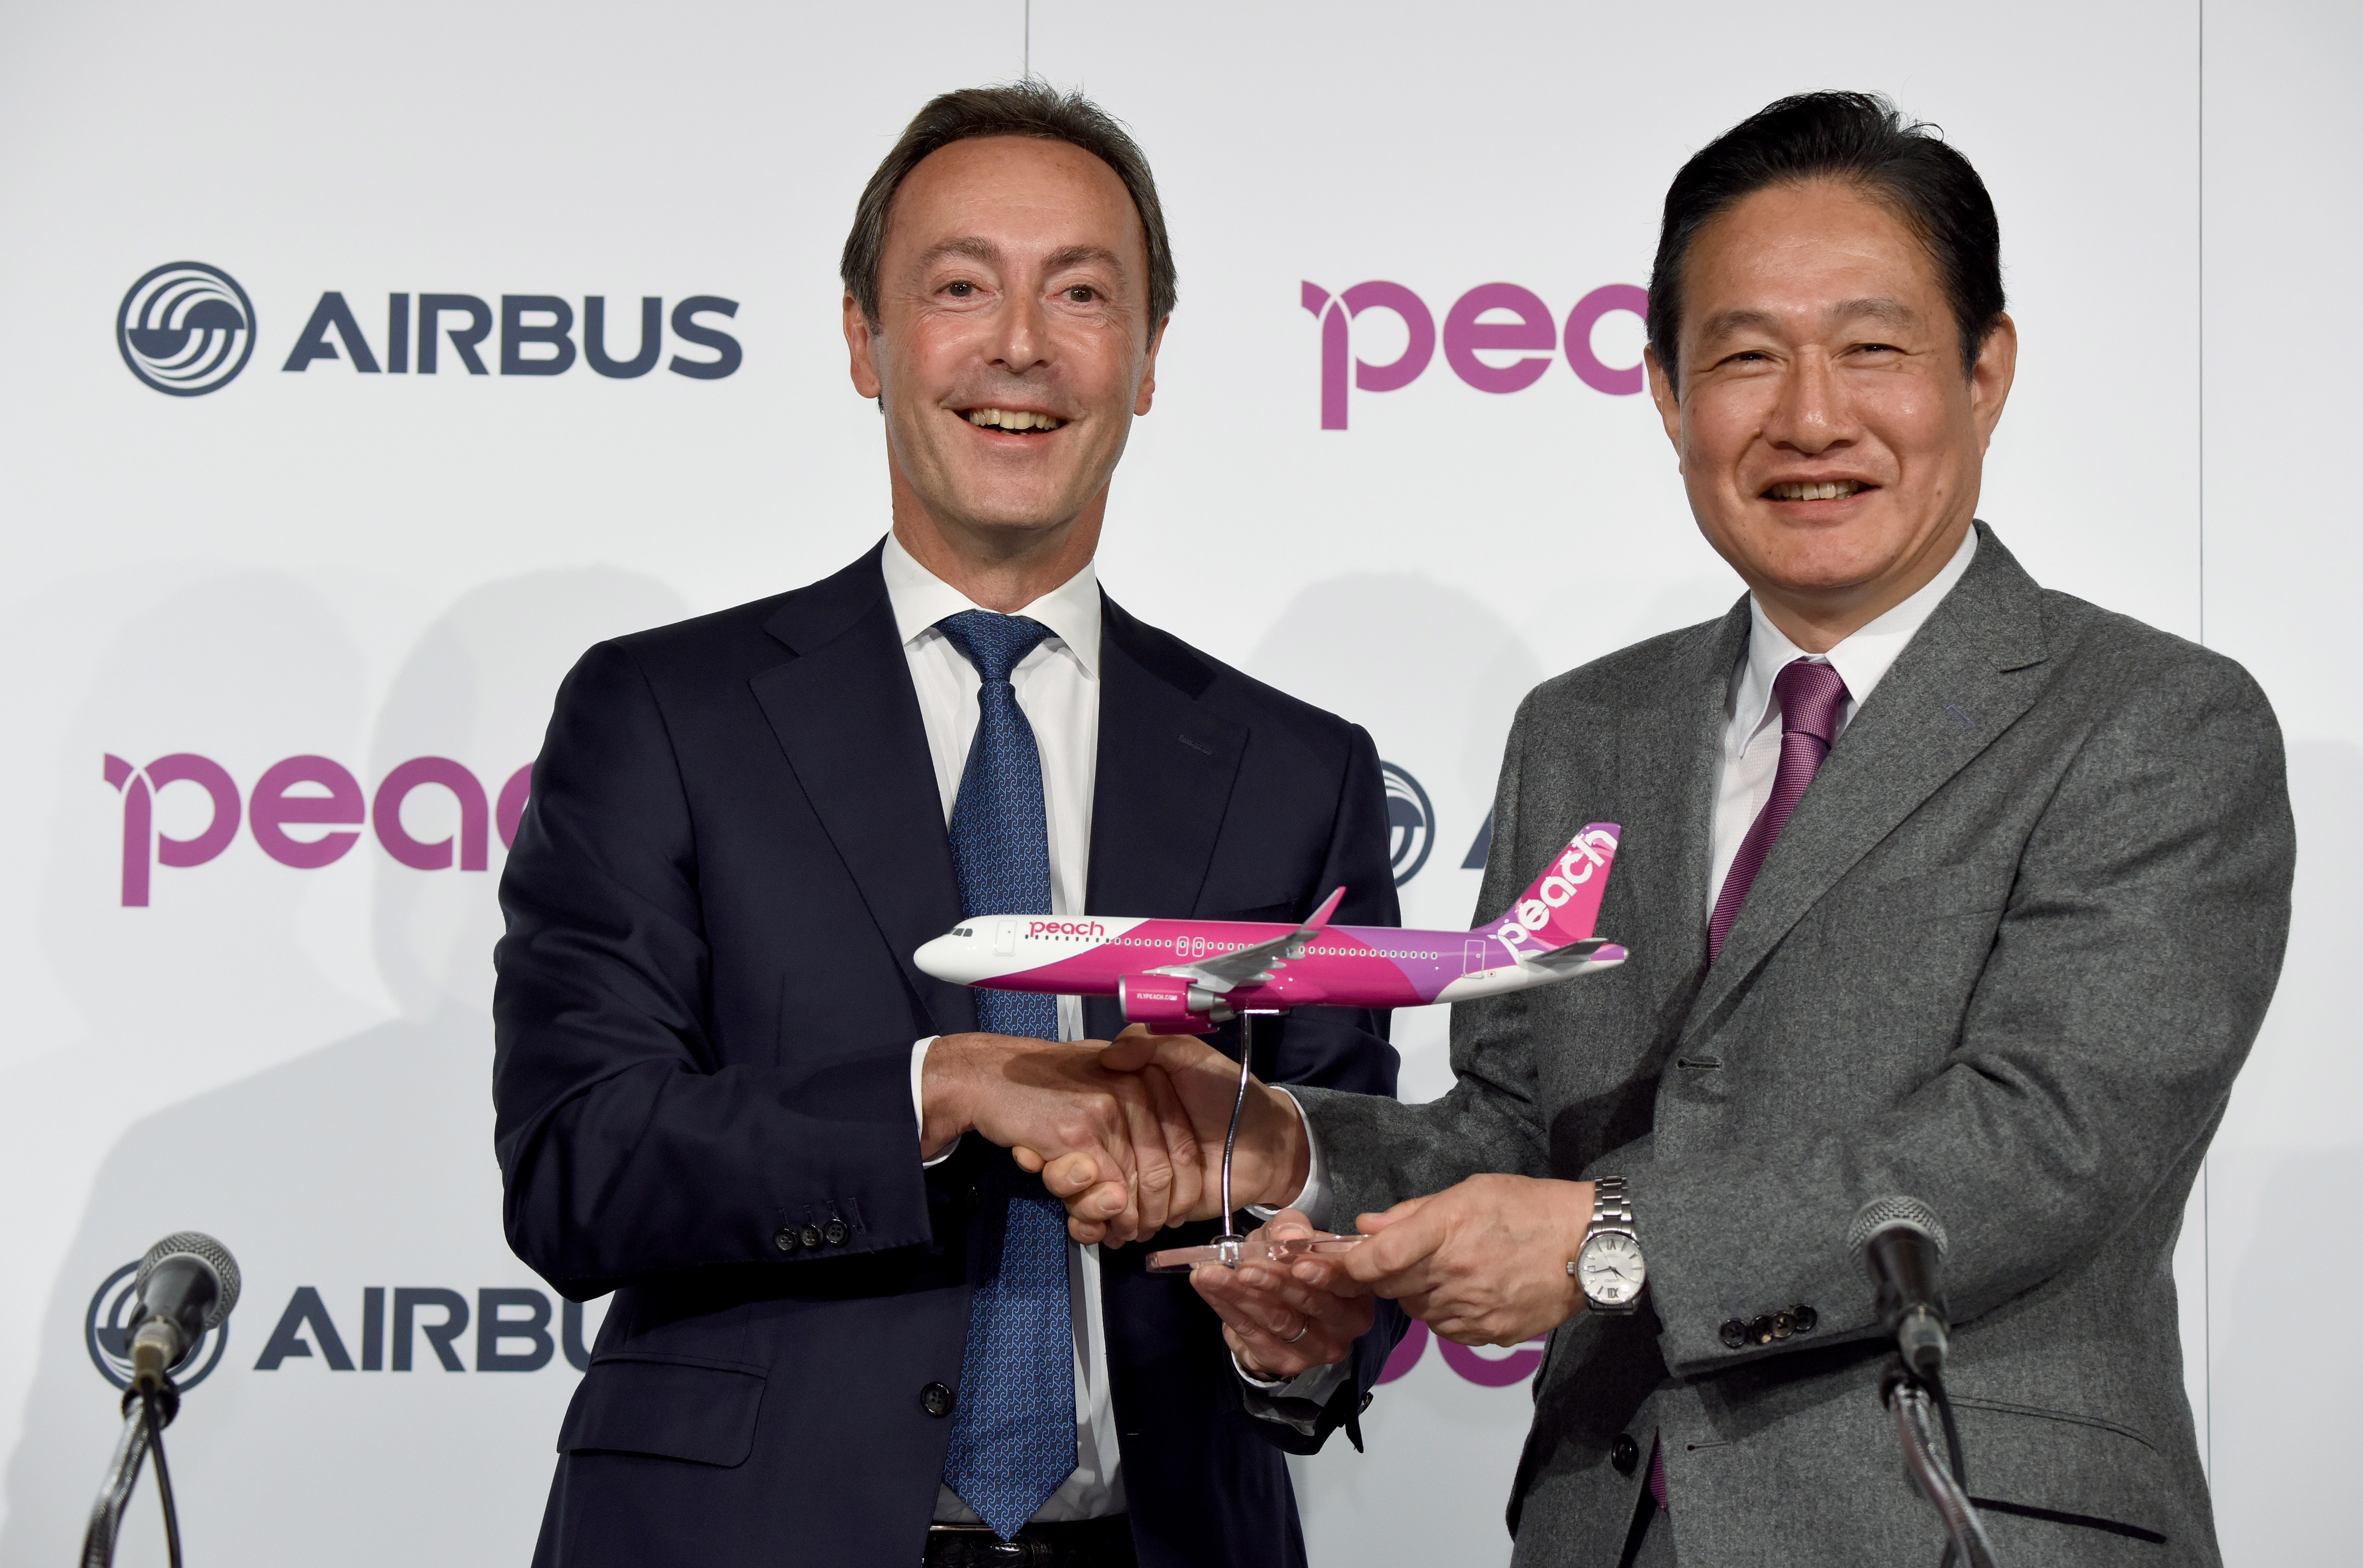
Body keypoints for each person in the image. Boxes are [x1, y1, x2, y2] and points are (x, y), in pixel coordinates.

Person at [1054, 92, 2294, 1565]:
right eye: (1744, 356)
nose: (1808, 414)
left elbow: (2041, 1144)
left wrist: (1599, 1241)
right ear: (1662, 392)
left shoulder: (2150, 719)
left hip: (1963, 1524)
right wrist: (1285, 1155)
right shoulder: (1583, 731)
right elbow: (1515, 1130)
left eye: (1871, 347)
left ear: (1986, 371)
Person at [492, 83, 1401, 1568]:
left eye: (1084, 294)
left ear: (1150, 360)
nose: (1021, 346)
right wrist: (943, 1084)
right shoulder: (664, 714)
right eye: (960, 286)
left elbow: (1339, 1183)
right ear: (863, 339)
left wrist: (1296, 1330)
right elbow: (575, 1167)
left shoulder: (1298, 768)